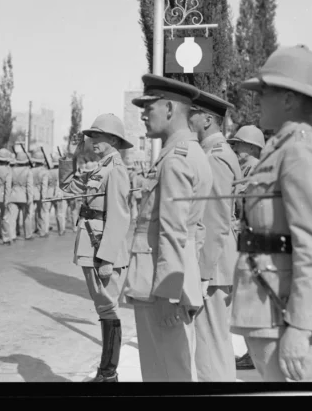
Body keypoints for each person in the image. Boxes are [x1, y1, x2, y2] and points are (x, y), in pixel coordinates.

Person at [229, 45, 312, 382]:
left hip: (286, 317)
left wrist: (300, 326)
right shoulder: (281, 148)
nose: (258, 99)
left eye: (265, 91)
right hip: (268, 308)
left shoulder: (301, 151)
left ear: (290, 99)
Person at [123, 75, 212, 382]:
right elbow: (196, 231)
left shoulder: (175, 160)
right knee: (174, 369)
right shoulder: (192, 154)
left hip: (161, 287)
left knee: (165, 374)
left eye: (149, 107)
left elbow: (173, 231)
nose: (143, 114)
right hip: (175, 279)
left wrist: (167, 295)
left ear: (170, 108)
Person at [59, 114, 133, 382]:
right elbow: (67, 186)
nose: (92, 142)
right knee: (104, 308)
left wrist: (106, 258)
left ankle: (108, 374)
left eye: (97, 137)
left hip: (101, 249)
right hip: (91, 246)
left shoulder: (116, 170)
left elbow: (119, 216)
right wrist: (70, 154)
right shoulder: (99, 168)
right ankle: (107, 372)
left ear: (112, 139)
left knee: (108, 309)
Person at [187, 90, 242, 381]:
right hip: (217, 260)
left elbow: (217, 217)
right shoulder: (212, 153)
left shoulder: (216, 157)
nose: (188, 117)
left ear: (208, 119)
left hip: (214, 262)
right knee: (214, 341)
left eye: (193, 113)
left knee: (210, 343)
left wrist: (204, 270)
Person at [225, 124, 265, 371]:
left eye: (238, 144)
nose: (235, 148)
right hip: (241, 242)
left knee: (252, 302)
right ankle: (253, 352)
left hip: (251, 245)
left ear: (251, 146)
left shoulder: (256, 174)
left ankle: (256, 354)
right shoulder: (243, 172)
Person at [8, 152, 35, 242]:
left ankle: (12, 235)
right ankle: (28, 234)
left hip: (13, 196)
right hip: (24, 196)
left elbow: (9, 185)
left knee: (12, 218)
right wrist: (30, 198)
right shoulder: (28, 171)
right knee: (27, 217)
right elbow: (29, 186)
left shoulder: (11, 170)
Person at [0, 148, 14, 246]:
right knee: (5, 218)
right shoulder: (8, 170)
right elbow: (8, 186)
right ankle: (6, 238)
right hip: (3, 195)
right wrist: (7, 199)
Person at [30, 150, 50, 238]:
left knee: (31, 213)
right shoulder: (44, 171)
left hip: (31, 193)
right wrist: (44, 197)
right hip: (40, 194)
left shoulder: (30, 170)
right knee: (42, 213)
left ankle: (32, 230)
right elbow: (44, 186)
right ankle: (43, 231)